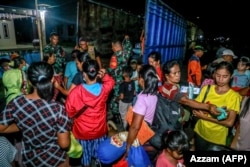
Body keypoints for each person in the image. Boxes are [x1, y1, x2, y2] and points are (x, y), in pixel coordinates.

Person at [0, 62, 71, 167]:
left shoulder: (16, 103)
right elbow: (64, 144)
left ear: (29, 82)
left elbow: (2, 128)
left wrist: (23, 124)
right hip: (55, 160)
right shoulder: (58, 109)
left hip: (31, 160)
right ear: (52, 80)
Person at [65, 59, 115, 167]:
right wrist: (104, 75)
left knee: (85, 160)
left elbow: (69, 112)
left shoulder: (75, 92)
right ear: (97, 73)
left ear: (84, 74)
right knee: (99, 157)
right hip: (100, 131)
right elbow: (111, 82)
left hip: (82, 133)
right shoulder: (104, 89)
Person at [192, 61, 242, 151]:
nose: (220, 79)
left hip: (217, 138)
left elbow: (229, 122)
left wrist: (204, 117)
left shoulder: (234, 97)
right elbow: (195, 107)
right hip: (200, 131)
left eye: (225, 76)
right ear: (214, 74)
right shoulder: (207, 89)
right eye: (218, 75)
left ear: (231, 77)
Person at [125, 65, 158, 155]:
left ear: (142, 80)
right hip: (150, 131)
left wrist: (128, 147)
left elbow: (135, 127)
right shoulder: (155, 93)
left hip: (141, 136)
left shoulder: (142, 98)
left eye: (139, 77)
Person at [107, 39, 131, 115]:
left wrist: (107, 71)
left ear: (116, 46)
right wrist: (127, 40)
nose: (112, 49)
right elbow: (129, 47)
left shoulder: (114, 56)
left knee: (115, 98)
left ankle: (115, 114)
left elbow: (112, 70)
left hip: (117, 81)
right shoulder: (127, 53)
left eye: (112, 47)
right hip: (125, 80)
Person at [118, 65, 135, 130]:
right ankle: (129, 127)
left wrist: (117, 98)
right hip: (130, 102)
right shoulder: (133, 82)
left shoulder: (122, 84)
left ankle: (125, 129)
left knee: (124, 117)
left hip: (124, 102)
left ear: (124, 74)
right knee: (129, 115)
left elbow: (121, 97)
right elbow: (134, 93)